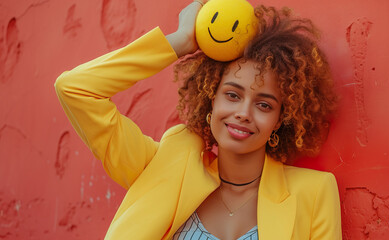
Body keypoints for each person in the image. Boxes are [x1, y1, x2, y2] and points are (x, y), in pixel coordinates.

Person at [54, 0, 341, 239]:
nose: (243, 112)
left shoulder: (314, 193)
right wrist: (181, 42)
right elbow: (75, 89)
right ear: (210, 99)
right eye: (232, 95)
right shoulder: (163, 166)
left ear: (279, 119)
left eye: (264, 105)